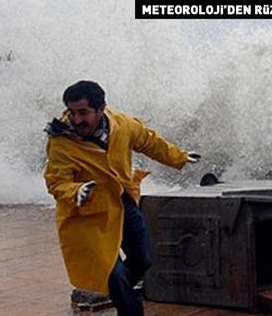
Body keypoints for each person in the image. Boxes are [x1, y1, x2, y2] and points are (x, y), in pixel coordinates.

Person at [43, 80, 200, 316]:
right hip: (86, 213)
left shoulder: (123, 125)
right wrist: (76, 191)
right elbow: (56, 182)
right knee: (113, 274)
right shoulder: (61, 141)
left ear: (101, 108)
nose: (76, 121)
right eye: (72, 112)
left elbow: (149, 141)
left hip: (123, 201)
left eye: (83, 113)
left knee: (144, 258)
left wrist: (179, 156)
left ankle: (109, 292)